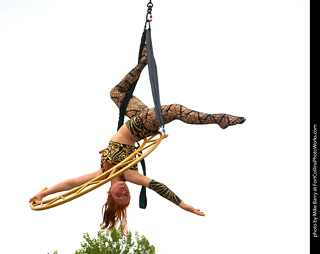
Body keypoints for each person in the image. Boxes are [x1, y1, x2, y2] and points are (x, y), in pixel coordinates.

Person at [29, 47, 246, 236]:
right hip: (137, 128)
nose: (123, 191)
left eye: (119, 195)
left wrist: (43, 193)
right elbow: (158, 187)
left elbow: (70, 184)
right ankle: (219, 119)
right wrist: (184, 205)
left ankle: (143, 62)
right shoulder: (130, 175)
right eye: (127, 195)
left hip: (136, 120)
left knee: (117, 93)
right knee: (174, 110)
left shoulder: (101, 175)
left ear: (110, 194)